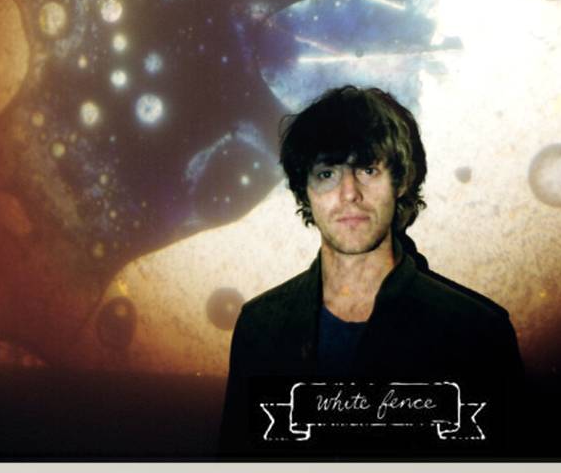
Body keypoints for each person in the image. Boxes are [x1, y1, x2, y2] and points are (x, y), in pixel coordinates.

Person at [218, 85, 524, 457]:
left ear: (402, 181)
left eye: (368, 169)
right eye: (327, 173)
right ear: (304, 192)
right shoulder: (259, 327)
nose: (349, 193)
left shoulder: (476, 334)